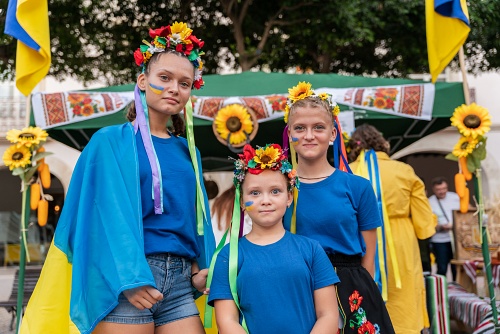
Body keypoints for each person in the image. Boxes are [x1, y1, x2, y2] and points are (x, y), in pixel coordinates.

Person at [21, 22, 215, 334]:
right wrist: (128, 278)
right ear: (142, 80)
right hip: (125, 281)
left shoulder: (187, 150)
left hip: (179, 282)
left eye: (185, 82)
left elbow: (195, 219)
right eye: (164, 78)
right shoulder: (109, 142)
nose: (174, 88)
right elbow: (100, 217)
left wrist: (200, 264)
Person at [282, 82, 394, 333]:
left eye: (318, 128)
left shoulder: (358, 187)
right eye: (300, 128)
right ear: (289, 133)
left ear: (333, 134)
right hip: (295, 283)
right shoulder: (278, 188)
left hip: (349, 287)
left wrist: (362, 299)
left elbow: (369, 257)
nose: (309, 135)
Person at [209, 143, 339, 333]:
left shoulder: (311, 250)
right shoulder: (228, 256)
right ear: (242, 202)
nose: (266, 200)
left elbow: (328, 315)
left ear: (289, 198)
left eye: (275, 191)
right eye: (255, 192)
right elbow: (227, 322)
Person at [348, 123, 436, 334]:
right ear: (382, 143)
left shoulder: (346, 172)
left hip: (359, 242)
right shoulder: (404, 170)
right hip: (401, 242)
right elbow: (425, 226)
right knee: (404, 295)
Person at [428, 176, 460, 281]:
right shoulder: (429, 202)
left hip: (455, 239)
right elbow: (428, 222)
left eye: (444, 188)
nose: (442, 192)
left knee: (457, 266)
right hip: (439, 239)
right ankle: (441, 291)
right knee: (442, 267)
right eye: (439, 190)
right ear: (433, 190)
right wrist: (441, 227)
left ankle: (457, 289)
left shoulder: (454, 197)